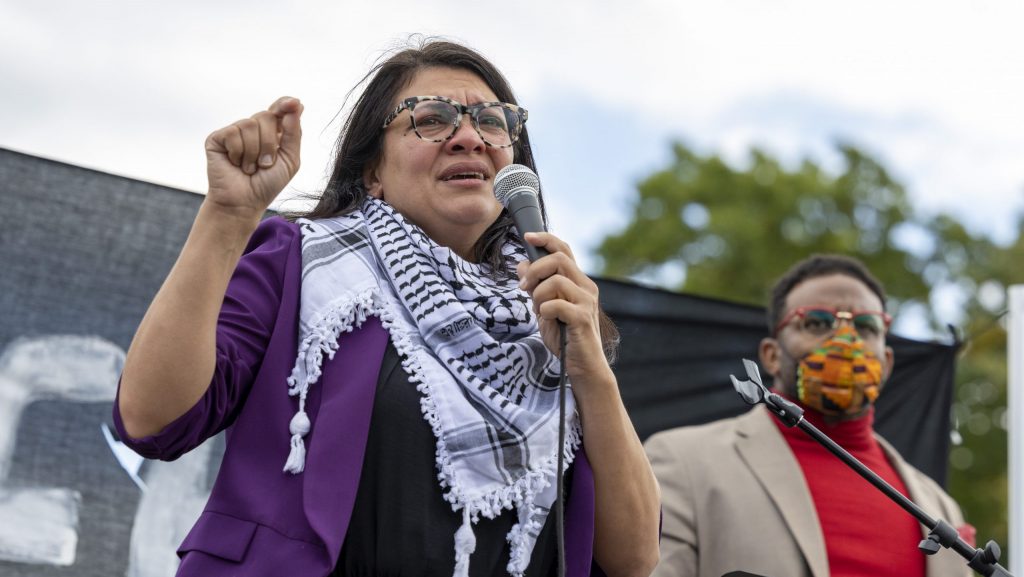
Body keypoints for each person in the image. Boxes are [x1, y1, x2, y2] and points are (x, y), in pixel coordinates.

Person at [115, 39, 660, 577]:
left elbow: (634, 559)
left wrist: (590, 367)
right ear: (372, 170)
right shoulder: (303, 262)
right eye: (431, 118)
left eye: (492, 121)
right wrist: (228, 217)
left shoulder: (547, 308)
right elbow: (152, 419)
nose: (468, 136)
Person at [644, 254, 972, 577]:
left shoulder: (939, 508)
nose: (845, 340)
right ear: (771, 356)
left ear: (886, 362)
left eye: (866, 326)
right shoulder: (682, 462)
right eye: (817, 322)